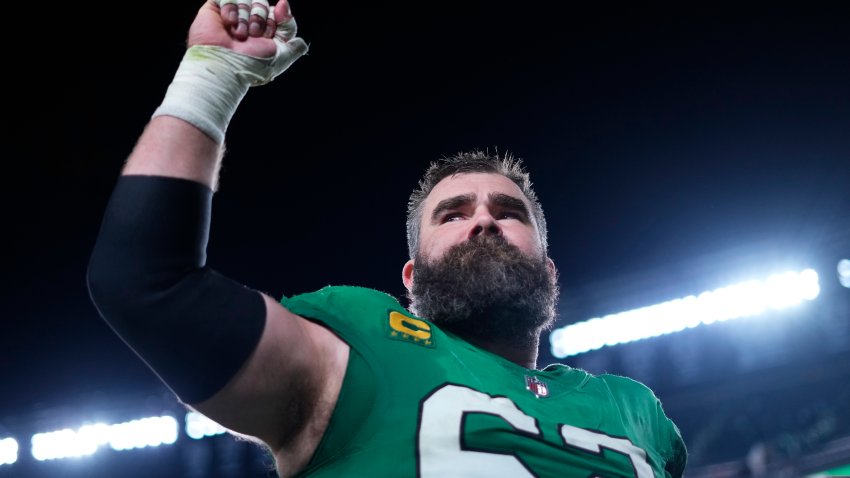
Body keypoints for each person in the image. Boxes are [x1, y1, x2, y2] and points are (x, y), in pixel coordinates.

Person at [87, 0, 688, 476]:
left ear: (550, 269)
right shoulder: (359, 347)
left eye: (510, 212)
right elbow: (144, 285)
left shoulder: (634, 411)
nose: (483, 220)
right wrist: (212, 77)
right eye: (452, 214)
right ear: (411, 277)